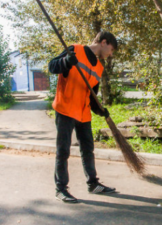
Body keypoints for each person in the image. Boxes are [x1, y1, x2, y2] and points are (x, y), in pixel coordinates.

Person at [48, 31, 118, 203]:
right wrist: (65, 61)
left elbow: (92, 95)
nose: (111, 54)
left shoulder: (99, 68)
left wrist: (101, 111)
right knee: (63, 150)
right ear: (103, 42)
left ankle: (93, 184)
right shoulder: (75, 50)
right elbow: (51, 66)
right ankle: (61, 189)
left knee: (88, 149)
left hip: (83, 112)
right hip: (65, 109)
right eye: (111, 49)